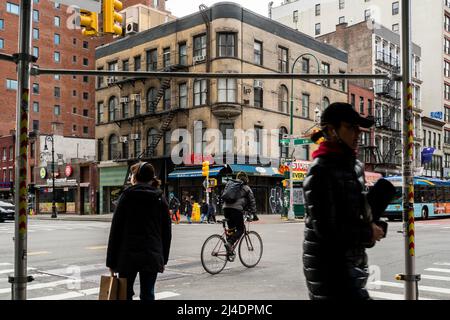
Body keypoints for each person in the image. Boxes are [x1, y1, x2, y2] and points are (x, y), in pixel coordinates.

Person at [302, 102, 385, 300]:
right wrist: (367, 232)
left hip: (352, 266)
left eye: (359, 128)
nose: (358, 134)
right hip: (331, 272)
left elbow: (354, 216)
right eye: (350, 127)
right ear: (331, 130)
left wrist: (373, 226)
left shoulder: (354, 167)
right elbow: (328, 230)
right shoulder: (320, 171)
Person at [106, 162, 172, 301]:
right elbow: (166, 233)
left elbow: (115, 231)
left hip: (127, 256)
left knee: (124, 294)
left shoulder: (126, 197)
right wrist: (163, 259)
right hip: (152, 256)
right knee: (148, 294)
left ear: (135, 177)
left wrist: (111, 262)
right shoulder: (160, 198)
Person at [222, 172, 257, 255]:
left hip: (226, 209)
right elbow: (252, 201)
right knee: (240, 229)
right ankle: (229, 243)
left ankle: (229, 250)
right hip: (236, 210)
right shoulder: (246, 187)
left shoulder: (230, 184)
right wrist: (254, 214)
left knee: (231, 229)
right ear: (246, 178)